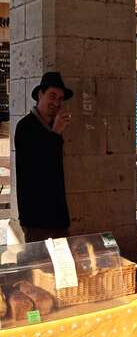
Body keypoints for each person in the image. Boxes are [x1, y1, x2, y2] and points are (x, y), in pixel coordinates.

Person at [15, 72, 73, 242]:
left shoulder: (52, 126)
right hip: (36, 217)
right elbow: (39, 166)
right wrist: (55, 133)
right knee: (38, 267)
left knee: (63, 266)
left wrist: (55, 132)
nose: (56, 102)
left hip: (58, 215)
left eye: (60, 99)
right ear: (40, 95)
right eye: (52, 96)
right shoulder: (25, 127)